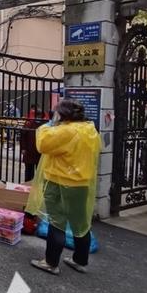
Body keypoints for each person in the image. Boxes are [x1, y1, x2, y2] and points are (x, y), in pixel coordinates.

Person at [27, 98, 101, 275]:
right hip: (81, 184)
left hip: (60, 182)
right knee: (80, 223)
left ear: (62, 114)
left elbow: (42, 144)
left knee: (57, 222)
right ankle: (80, 260)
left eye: (56, 112)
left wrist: (47, 126)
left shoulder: (65, 131)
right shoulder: (89, 130)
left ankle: (51, 262)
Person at [21, 109, 45, 182]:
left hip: (39, 151)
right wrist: (23, 148)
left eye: (40, 116)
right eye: (37, 116)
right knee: (29, 171)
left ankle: (37, 186)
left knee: (39, 172)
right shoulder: (29, 123)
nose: (38, 117)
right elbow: (23, 136)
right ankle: (28, 184)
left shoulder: (44, 125)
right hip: (29, 151)